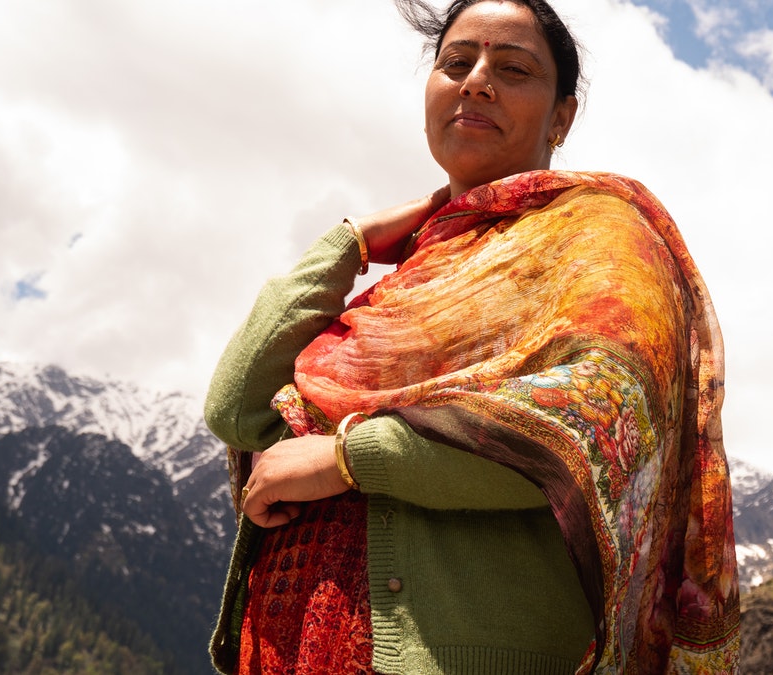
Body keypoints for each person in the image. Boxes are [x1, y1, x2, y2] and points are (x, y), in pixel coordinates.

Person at [204, 0, 740, 673]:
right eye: (456, 63)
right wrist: (350, 241)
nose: (476, 80)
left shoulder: (601, 239)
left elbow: (599, 417)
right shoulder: (411, 275)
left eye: (512, 69)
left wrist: (347, 459)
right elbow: (234, 407)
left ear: (562, 116)